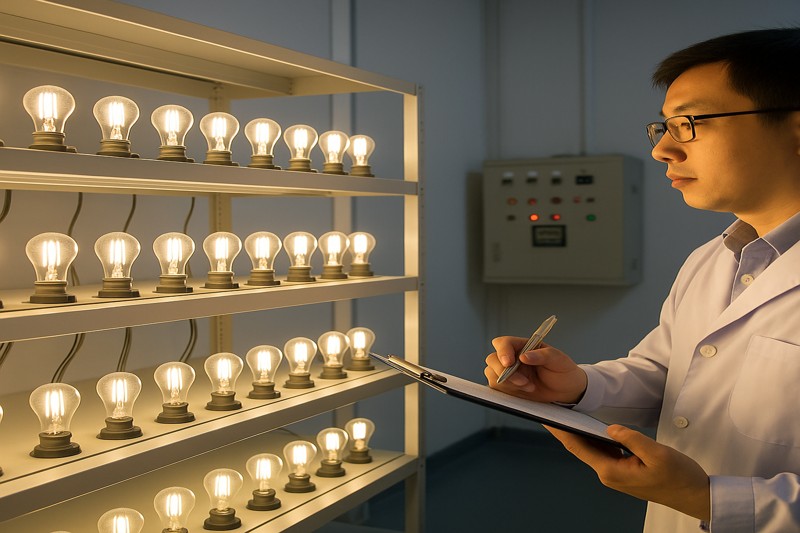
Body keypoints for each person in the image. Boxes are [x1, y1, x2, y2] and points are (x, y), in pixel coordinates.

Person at [484, 28, 800, 533]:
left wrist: (708, 499)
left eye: (690, 123)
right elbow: (664, 373)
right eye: (663, 127)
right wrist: (578, 386)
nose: (663, 150)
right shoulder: (711, 259)